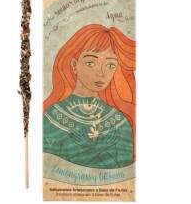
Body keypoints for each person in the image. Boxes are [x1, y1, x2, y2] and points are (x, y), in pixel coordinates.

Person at [43, 24, 136, 169]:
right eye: (90, 63)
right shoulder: (51, 119)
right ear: (74, 65)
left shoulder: (120, 123)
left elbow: (125, 173)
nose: (101, 73)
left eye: (110, 65)